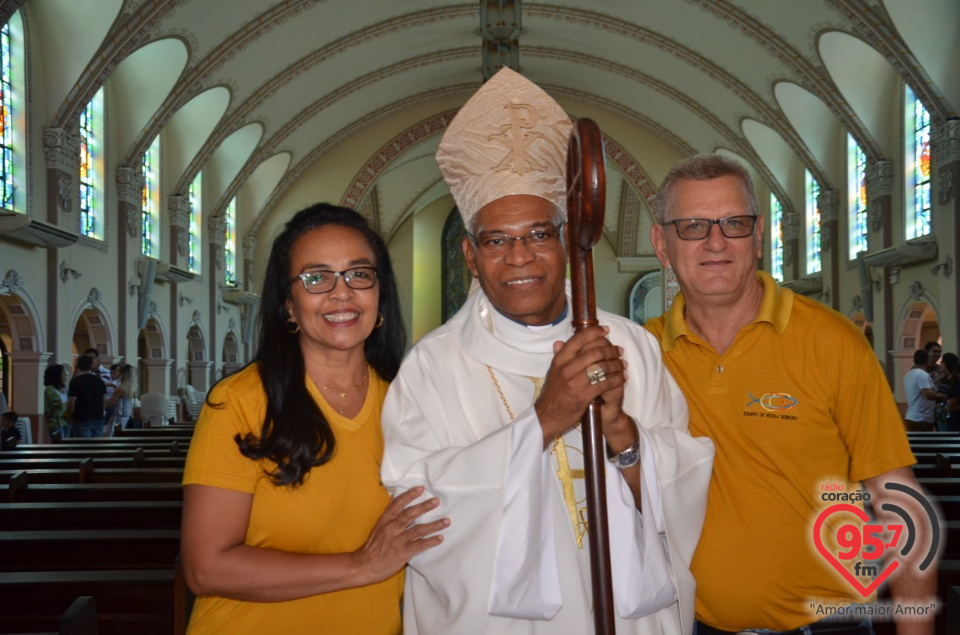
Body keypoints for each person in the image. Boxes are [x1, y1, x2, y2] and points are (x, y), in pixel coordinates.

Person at [381, 67, 714, 635]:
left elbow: (683, 488)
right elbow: (419, 517)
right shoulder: (432, 367)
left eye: (538, 234)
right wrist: (545, 419)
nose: (519, 257)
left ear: (565, 244)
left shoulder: (630, 345)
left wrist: (622, 434)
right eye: (496, 240)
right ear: (469, 255)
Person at [646, 154, 935, 635]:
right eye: (693, 225)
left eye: (733, 223)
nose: (715, 242)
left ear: (758, 236)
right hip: (694, 627)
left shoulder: (833, 341)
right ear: (662, 243)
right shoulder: (644, 353)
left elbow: (899, 500)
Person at [180, 203, 448, 635]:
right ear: (288, 304)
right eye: (316, 278)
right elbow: (206, 568)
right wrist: (361, 565)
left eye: (359, 274)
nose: (341, 293)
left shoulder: (409, 401)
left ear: (380, 296)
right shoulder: (240, 402)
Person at [904, 349, 945, 432]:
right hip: (921, 418)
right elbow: (927, 394)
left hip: (915, 416)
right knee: (923, 444)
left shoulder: (909, 374)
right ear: (927, 360)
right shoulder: (922, 374)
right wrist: (943, 396)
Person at [66, 354, 107, 437]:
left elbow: (71, 403)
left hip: (82, 419)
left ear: (77, 366)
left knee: (83, 447)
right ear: (91, 366)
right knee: (97, 448)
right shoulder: (99, 381)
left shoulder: (76, 381)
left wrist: (69, 416)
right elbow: (104, 401)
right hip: (98, 418)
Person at [104, 363, 135, 435]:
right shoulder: (130, 386)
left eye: (117, 371)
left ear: (122, 374)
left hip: (118, 417)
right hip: (127, 416)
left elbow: (109, 404)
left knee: (111, 438)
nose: (116, 373)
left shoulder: (120, 388)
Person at [43, 364, 70, 440]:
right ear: (58, 375)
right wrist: (68, 408)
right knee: (59, 444)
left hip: (66, 422)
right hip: (55, 423)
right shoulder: (50, 389)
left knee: (67, 444)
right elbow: (56, 405)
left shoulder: (64, 388)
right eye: (64, 373)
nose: (65, 375)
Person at [936, 352, 960, 432]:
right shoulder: (944, 377)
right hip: (941, 412)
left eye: (942, 362)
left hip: (951, 415)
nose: (940, 364)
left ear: (945, 364)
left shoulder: (954, 380)